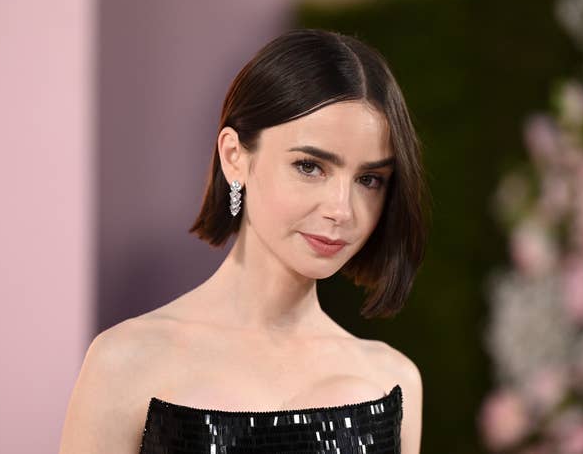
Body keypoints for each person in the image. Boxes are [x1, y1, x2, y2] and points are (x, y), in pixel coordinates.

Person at [59, 28, 430, 454]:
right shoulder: (123, 363)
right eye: (310, 167)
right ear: (234, 157)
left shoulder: (392, 380)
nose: (342, 210)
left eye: (369, 179)